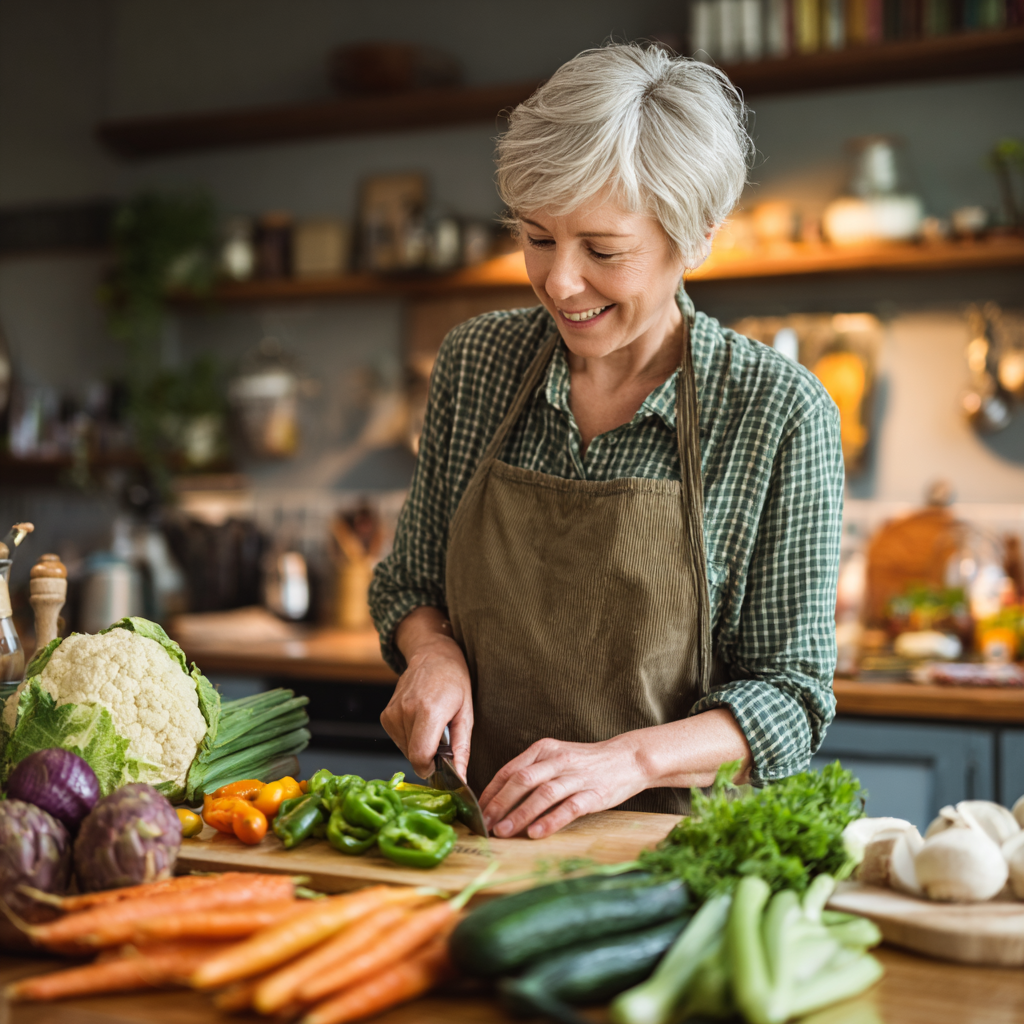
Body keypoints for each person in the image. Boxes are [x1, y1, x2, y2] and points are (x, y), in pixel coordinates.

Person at [369, 42, 844, 840]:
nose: (559, 280)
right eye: (537, 237)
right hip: (471, 836)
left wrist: (629, 762)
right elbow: (407, 584)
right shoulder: (477, 364)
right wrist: (432, 655)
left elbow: (790, 696)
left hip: (671, 858)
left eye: (603, 250)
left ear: (693, 238)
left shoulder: (776, 410)